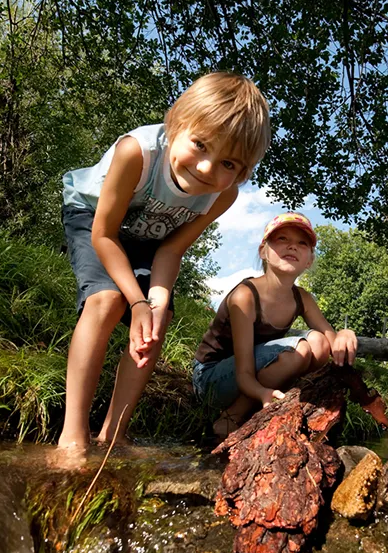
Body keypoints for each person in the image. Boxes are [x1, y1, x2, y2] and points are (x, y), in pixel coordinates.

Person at [58, 72, 271, 449]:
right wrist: (136, 301)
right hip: (96, 220)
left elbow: (171, 250)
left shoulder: (222, 196)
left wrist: (152, 305)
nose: (207, 168)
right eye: (200, 144)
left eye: (228, 164)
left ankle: (113, 435)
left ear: (242, 172)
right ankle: (72, 436)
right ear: (176, 123)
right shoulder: (136, 153)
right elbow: (104, 236)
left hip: (150, 240)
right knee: (108, 300)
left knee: (158, 319)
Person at [193, 212, 358, 439]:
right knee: (297, 350)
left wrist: (345, 333)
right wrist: (262, 393)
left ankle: (283, 405)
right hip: (212, 378)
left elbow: (330, 339)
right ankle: (231, 418)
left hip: (257, 373)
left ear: (309, 259)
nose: (292, 246)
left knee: (318, 343)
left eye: (302, 243)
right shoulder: (245, 296)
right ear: (264, 251)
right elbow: (243, 373)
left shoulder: (302, 298)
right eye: (282, 239)